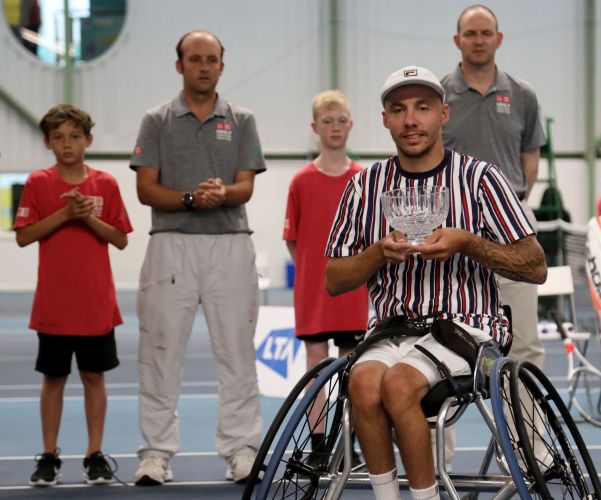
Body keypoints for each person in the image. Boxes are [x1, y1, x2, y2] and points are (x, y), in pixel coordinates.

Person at [324, 65, 546, 500]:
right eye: (399, 109)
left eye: (422, 108)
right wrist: (376, 254)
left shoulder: (481, 180)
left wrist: (467, 243)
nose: (411, 120)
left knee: (398, 384)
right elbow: (333, 279)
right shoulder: (364, 187)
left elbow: (534, 265)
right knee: (362, 384)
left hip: (467, 327)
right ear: (384, 119)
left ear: (443, 114)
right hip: (392, 329)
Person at [130, 30, 266, 486]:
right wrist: (192, 198)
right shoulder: (156, 120)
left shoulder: (242, 119)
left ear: (222, 66)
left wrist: (224, 193)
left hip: (230, 244)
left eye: (211, 59)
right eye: (195, 59)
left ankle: (242, 449)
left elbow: (245, 186)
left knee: (238, 354)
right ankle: (155, 454)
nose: (203, 66)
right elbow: (145, 188)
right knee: (160, 352)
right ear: (179, 66)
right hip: (171, 244)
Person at [14, 104, 132, 486]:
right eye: (59, 137)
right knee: (53, 379)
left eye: (75, 136)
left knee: (94, 377)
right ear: (48, 142)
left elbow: (120, 239)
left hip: (96, 303)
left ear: (88, 140)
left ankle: (94, 454)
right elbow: (24, 235)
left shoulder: (106, 184)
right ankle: (49, 455)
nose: (67, 144)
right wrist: (65, 216)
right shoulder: (38, 182)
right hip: (54, 304)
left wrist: (87, 218)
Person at [442, 4, 547, 375]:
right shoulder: (438, 97)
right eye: (470, 34)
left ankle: (526, 434)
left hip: (513, 226)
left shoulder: (523, 95)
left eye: (486, 33)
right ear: (457, 41)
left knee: (523, 342)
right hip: (453, 230)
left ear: (498, 39)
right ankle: (438, 435)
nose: (479, 40)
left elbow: (530, 158)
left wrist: (510, 207)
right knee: (442, 343)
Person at [283, 90, 368, 452]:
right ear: (315, 127)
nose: (335, 128)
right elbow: (293, 240)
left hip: (352, 290)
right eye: (327, 121)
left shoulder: (363, 179)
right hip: (314, 291)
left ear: (351, 125)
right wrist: (314, 271)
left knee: (353, 365)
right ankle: (318, 442)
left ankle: (348, 435)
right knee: (315, 365)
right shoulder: (301, 181)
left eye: (341, 121)